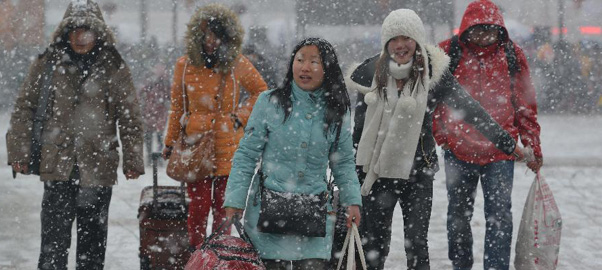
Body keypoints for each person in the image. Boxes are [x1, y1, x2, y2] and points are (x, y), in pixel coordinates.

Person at [348, 9, 520, 270]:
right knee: (375, 246)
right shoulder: (369, 73)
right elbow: (359, 131)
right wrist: (353, 175)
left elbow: (470, 110)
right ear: (385, 42)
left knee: (417, 245)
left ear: (417, 40)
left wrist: (507, 143)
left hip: (419, 172)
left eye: (407, 37)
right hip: (376, 172)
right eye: (394, 38)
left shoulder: (434, 73)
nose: (400, 45)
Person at [6, 1, 145, 269]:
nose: (80, 38)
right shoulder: (48, 62)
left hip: (98, 166)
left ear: (98, 33)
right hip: (58, 165)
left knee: (92, 249)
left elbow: (130, 116)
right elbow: (25, 107)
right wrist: (19, 152)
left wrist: (133, 159)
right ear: (66, 32)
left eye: (87, 31)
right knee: (53, 246)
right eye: (75, 31)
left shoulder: (113, 66)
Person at [223, 37, 362, 269]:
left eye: (314, 62)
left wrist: (352, 201)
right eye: (299, 60)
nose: (305, 67)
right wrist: (235, 200)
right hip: (267, 214)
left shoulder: (335, 112)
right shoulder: (270, 103)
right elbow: (246, 155)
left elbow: (344, 162)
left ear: (327, 69)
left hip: (313, 216)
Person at [433, 1, 543, 269]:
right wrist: (443, 136)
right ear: (466, 29)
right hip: (458, 151)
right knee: (458, 216)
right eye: (478, 31)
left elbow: (525, 105)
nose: (483, 37)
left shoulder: (512, 54)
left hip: (500, 153)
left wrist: (533, 146)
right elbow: (433, 100)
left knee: (499, 216)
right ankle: (461, 264)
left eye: (489, 31)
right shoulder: (447, 52)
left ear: (499, 31)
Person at [161, 3, 268, 248]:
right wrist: (169, 142)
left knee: (224, 207)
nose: (212, 41)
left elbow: (260, 92)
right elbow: (177, 106)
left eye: (217, 35)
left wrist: (239, 116)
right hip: (195, 144)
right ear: (197, 36)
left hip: (227, 144)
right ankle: (198, 254)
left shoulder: (236, 63)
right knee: (198, 207)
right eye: (207, 34)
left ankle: (219, 253)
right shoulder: (185, 65)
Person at [139, 63, 170, 165]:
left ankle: (159, 157)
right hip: (148, 113)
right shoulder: (149, 80)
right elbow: (142, 93)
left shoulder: (165, 81)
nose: (159, 69)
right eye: (157, 67)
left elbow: (170, 95)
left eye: (161, 67)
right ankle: (149, 157)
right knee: (148, 136)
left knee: (159, 136)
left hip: (160, 113)